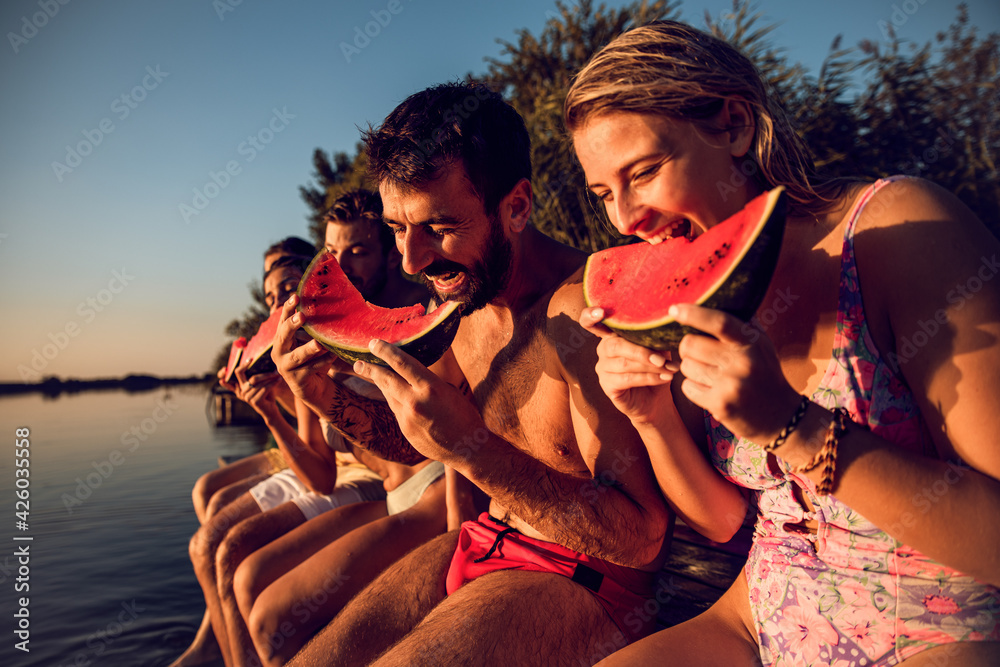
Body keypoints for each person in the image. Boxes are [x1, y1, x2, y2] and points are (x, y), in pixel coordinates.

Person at [563, 20, 1000, 666]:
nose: (625, 218)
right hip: (759, 615)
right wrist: (650, 416)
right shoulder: (703, 286)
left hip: (938, 629)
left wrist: (795, 427)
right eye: (605, 193)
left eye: (646, 171)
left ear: (734, 126)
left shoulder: (899, 234)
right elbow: (720, 521)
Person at [274, 82, 671, 666]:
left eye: (438, 227)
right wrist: (319, 394)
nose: (411, 261)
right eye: (396, 229)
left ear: (516, 205)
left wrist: (469, 447)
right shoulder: (462, 303)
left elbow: (640, 536)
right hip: (482, 537)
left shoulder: (577, 317)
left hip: (584, 580)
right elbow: (411, 446)